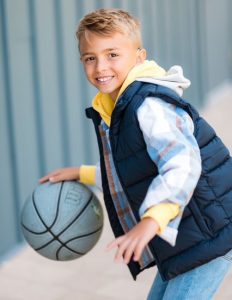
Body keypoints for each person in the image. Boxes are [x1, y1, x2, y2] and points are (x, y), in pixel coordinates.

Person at [39, 8, 232, 299]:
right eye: (90, 58)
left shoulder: (148, 105)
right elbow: (135, 166)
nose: (100, 67)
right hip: (188, 238)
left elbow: (182, 164)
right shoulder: (117, 105)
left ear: (139, 56)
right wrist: (83, 173)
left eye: (112, 54)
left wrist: (151, 221)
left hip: (210, 235)